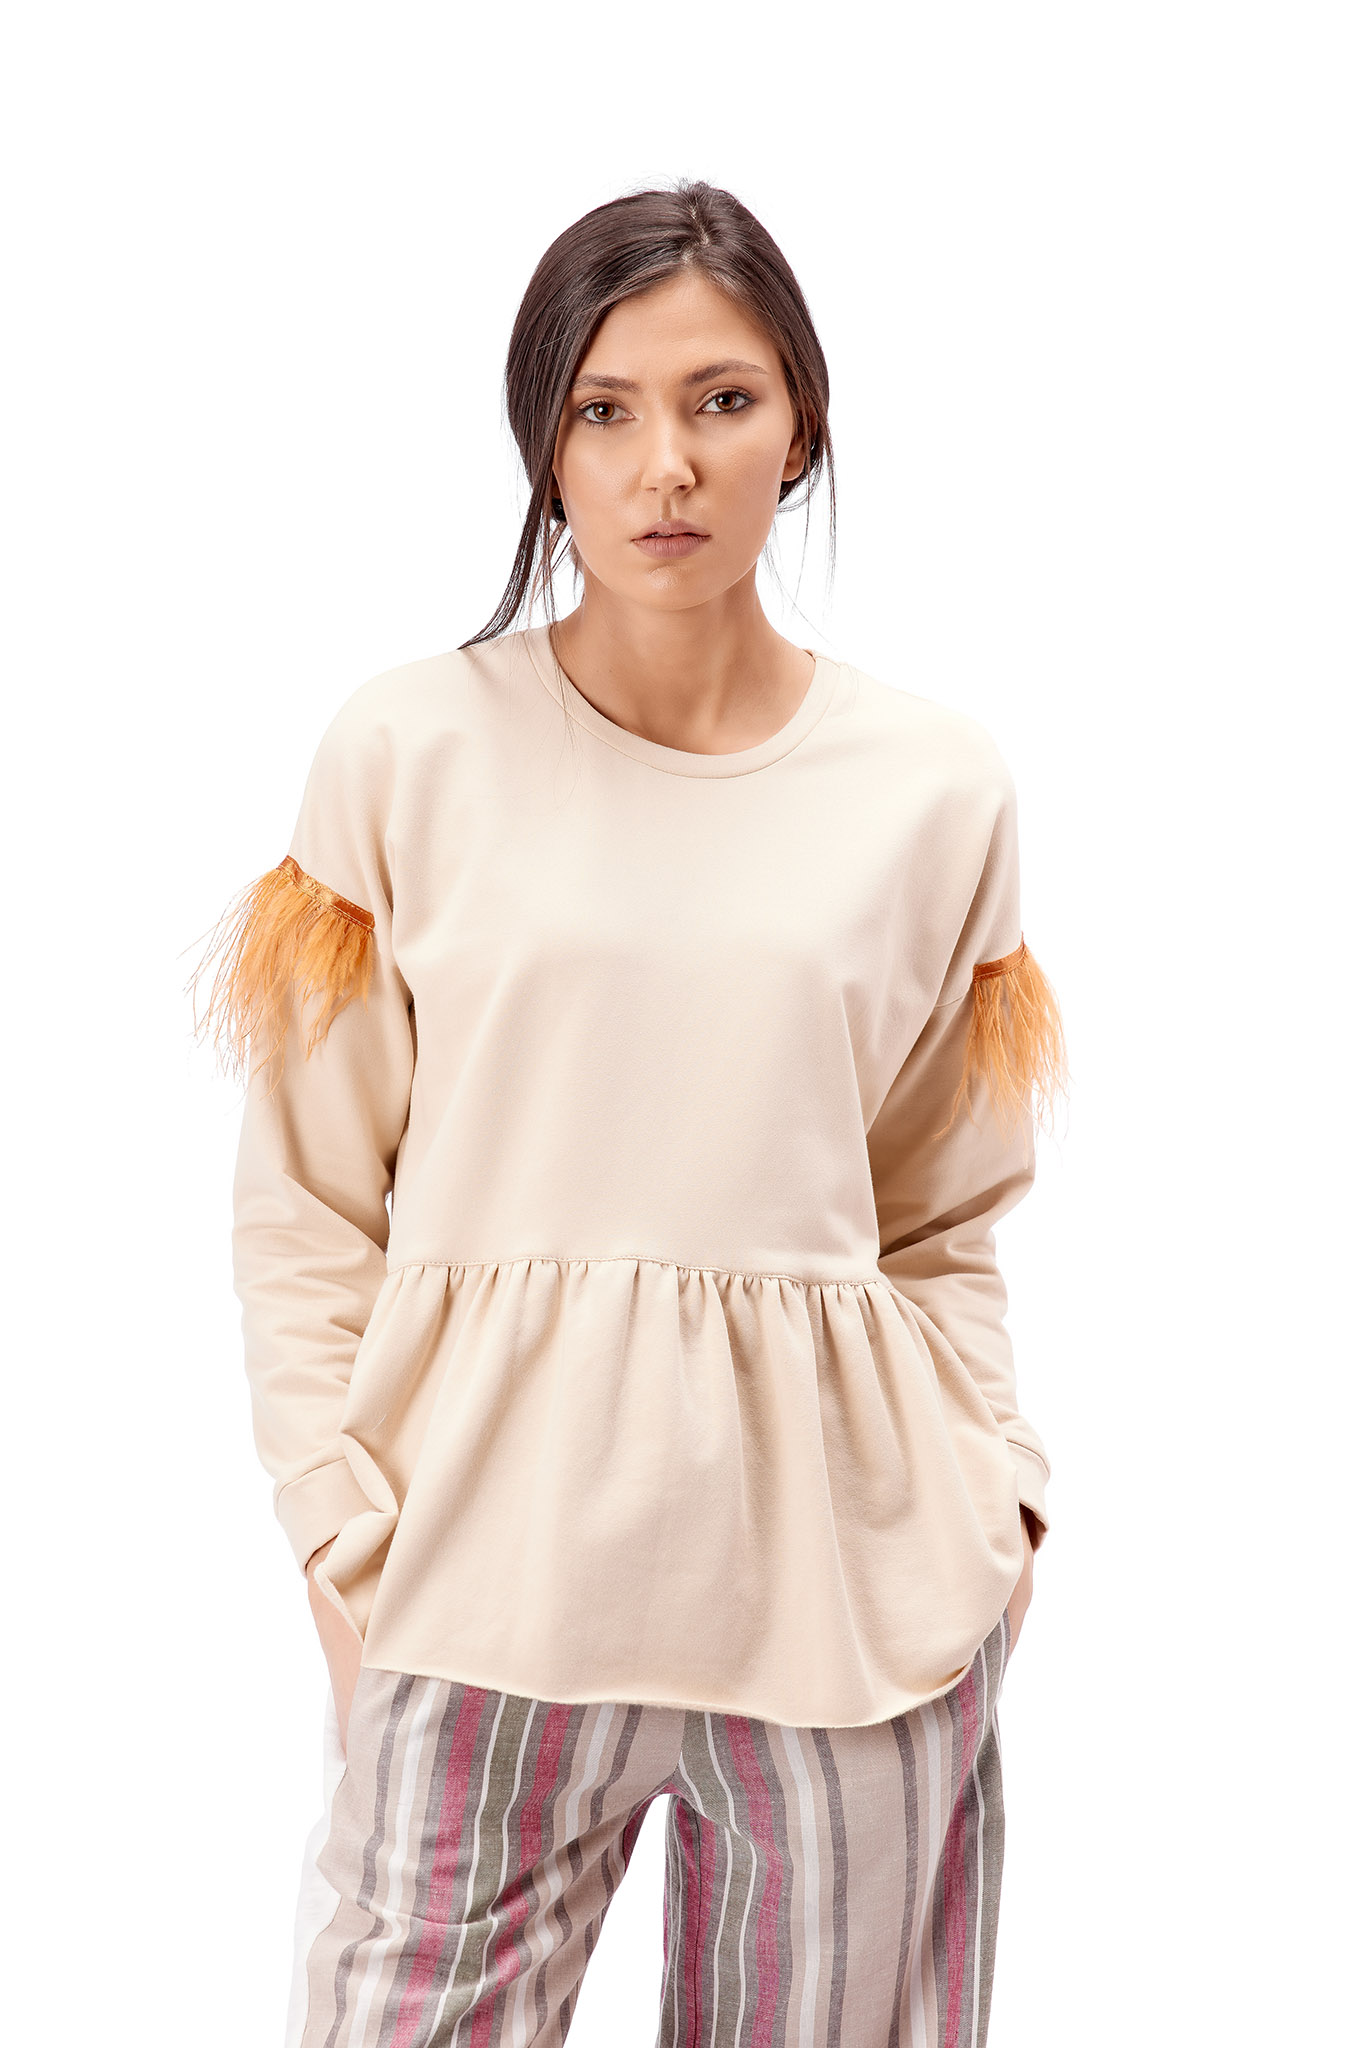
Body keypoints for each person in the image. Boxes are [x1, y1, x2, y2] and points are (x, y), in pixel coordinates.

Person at [192, 176, 1067, 2048]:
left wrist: (999, 1505)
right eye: (603, 410)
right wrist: (340, 1541)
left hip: (855, 1607)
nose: (664, 464)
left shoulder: (934, 787)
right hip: (475, 1586)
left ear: (797, 428)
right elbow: (308, 1204)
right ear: (546, 443)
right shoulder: (407, 750)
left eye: (720, 401)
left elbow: (942, 1214)